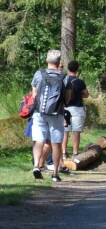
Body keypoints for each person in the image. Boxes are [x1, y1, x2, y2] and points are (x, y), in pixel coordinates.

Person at [30, 49, 71, 182]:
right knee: (56, 142)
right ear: (59, 62)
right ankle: (55, 173)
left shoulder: (39, 74)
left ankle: (36, 165)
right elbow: (68, 98)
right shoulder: (64, 77)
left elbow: (34, 95)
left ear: (47, 60)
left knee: (39, 140)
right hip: (57, 113)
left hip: (39, 112)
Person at [62, 60, 89, 162]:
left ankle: (63, 153)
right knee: (76, 132)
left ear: (68, 69)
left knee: (65, 132)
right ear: (77, 69)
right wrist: (79, 94)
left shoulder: (64, 80)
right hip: (77, 109)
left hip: (65, 108)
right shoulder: (80, 82)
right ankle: (75, 153)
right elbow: (86, 95)